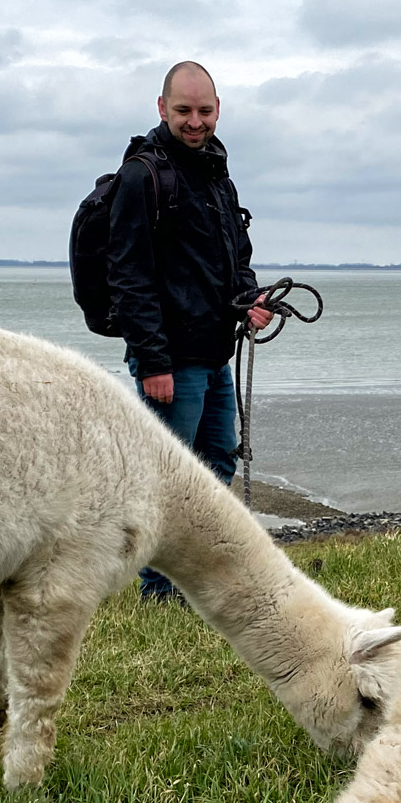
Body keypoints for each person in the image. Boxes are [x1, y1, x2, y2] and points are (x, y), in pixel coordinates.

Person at [107, 61, 272, 603]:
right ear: (162, 109)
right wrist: (153, 361)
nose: (195, 121)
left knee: (218, 459)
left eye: (204, 111)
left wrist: (249, 300)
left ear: (218, 111)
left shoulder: (216, 173)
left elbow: (233, 258)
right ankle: (157, 589)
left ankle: (191, 574)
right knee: (168, 477)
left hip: (212, 350)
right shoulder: (143, 177)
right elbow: (128, 277)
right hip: (170, 360)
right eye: (184, 111)